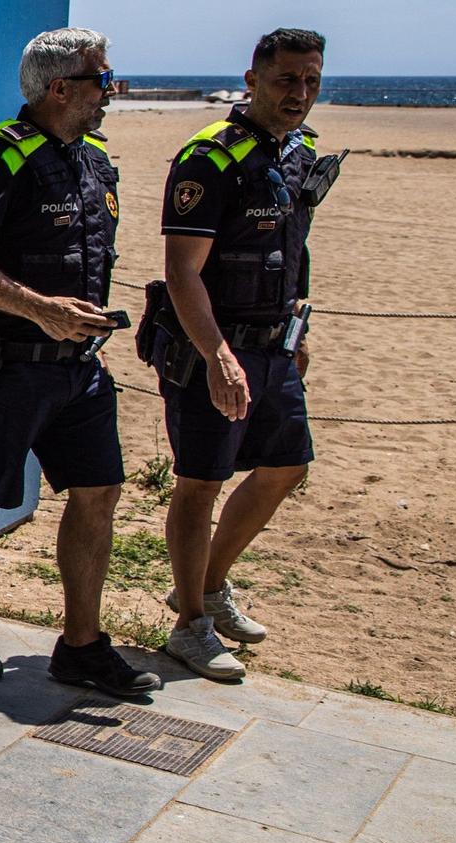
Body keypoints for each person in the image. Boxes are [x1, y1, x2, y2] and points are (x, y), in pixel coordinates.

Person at [0, 27, 161, 698]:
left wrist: (78, 320)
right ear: (61, 88)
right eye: (103, 80)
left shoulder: (90, 160)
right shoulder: (3, 156)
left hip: (79, 368)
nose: (111, 93)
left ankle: (81, 645)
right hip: (8, 365)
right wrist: (40, 308)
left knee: (99, 492)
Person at [153, 29, 329, 681]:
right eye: (287, 80)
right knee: (201, 483)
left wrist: (297, 329)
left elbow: (294, 249)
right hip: (209, 348)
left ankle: (206, 587)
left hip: (273, 345)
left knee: (287, 466)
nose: (299, 94)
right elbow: (182, 271)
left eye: (311, 81)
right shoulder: (208, 158)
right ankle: (188, 627)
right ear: (252, 79)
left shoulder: (299, 152)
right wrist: (217, 355)